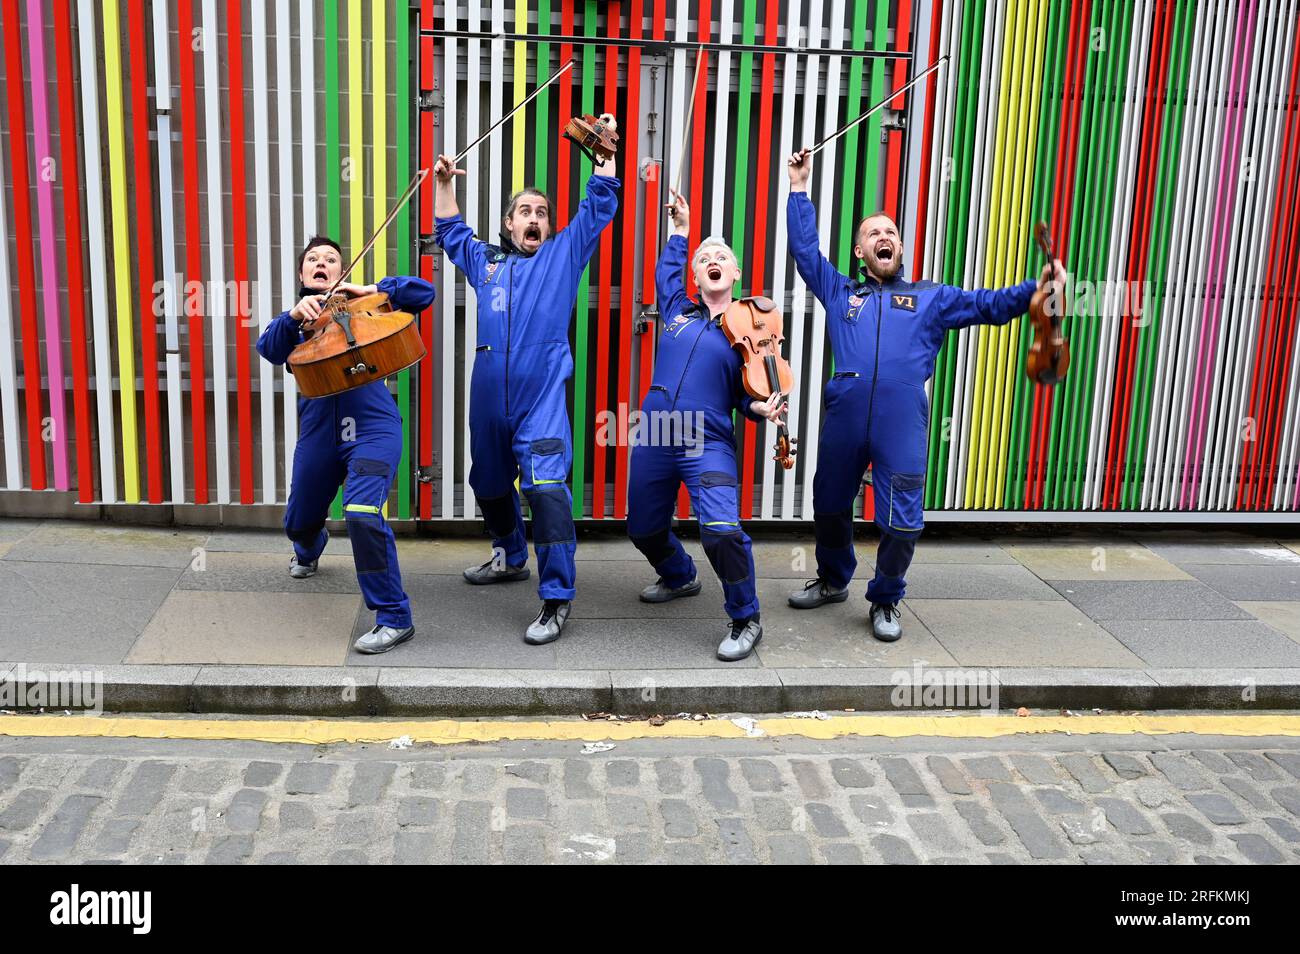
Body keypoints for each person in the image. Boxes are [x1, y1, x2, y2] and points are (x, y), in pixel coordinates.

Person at [784, 148, 1064, 641]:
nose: (884, 236)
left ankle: (887, 598)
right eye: (874, 233)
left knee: (904, 521)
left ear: (900, 248)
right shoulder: (839, 291)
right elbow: (806, 253)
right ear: (860, 253)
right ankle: (833, 579)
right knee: (828, 505)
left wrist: (1035, 290)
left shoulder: (931, 298)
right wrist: (799, 187)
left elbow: (988, 304)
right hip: (844, 417)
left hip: (902, 420)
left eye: (891, 231)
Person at [432, 116, 620, 645]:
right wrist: (444, 183)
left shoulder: (564, 254)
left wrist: (603, 151)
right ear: (509, 225)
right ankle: (512, 555)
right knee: (487, 484)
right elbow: (450, 231)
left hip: (540, 402)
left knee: (546, 489)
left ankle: (556, 598)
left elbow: (598, 204)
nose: (534, 219)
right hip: (489, 399)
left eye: (541, 212)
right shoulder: (486, 262)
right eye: (524, 212)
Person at [256, 237, 435, 654]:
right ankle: (309, 546)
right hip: (319, 434)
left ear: (340, 272)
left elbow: (423, 293)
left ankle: (394, 616)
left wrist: (373, 289)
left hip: (374, 428)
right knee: (298, 523)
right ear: (303, 275)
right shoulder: (296, 323)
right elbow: (268, 349)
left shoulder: (362, 306)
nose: (322, 263)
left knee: (361, 511)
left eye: (331, 259)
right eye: (313, 260)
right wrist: (291, 319)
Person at [626, 192, 785, 661]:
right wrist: (681, 231)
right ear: (696, 277)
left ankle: (745, 616)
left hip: (707, 438)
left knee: (720, 529)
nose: (712, 261)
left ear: (734, 274)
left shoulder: (750, 330)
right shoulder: (676, 308)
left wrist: (760, 410)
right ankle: (679, 575)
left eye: (722, 258)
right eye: (704, 259)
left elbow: (749, 393)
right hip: (655, 432)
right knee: (642, 527)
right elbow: (663, 273)